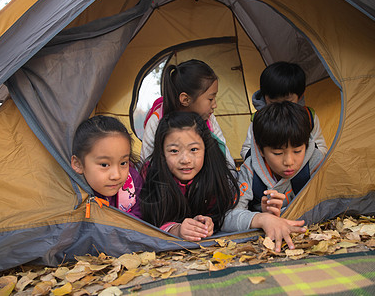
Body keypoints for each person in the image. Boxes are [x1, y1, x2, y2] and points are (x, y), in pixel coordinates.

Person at [222, 101, 324, 252]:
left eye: (297, 151)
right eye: (277, 153)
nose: (289, 162)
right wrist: (262, 218)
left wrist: (283, 214)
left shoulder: (316, 164)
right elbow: (227, 216)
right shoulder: (250, 171)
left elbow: (334, 201)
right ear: (261, 150)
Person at [139, 111, 239, 241]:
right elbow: (151, 221)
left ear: (206, 149)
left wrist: (207, 223)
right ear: (162, 153)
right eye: (174, 151)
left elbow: (221, 212)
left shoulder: (214, 174)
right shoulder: (152, 176)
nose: (185, 160)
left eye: (193, 149)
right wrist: (177, 230)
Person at [141, 59, 235, 170]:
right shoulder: (157, 121)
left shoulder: (209, 120)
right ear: (185, 99)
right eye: (210, 99)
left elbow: (224, 158)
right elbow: (145, 165)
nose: (215, 105)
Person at [240, 61, 327, 159]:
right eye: (273, 102)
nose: (280, 106)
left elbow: (322, 148)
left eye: (287, 101)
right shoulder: (259, 118)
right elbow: (246, 149)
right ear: (264, 96)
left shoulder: (308, 117)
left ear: (300, 95)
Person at [71, 115, 142, 218]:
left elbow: (141, 216)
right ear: (78, 164)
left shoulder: (134, 180)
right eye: (104, 165)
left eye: (123, 163)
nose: (116, 175)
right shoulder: (73, 194)